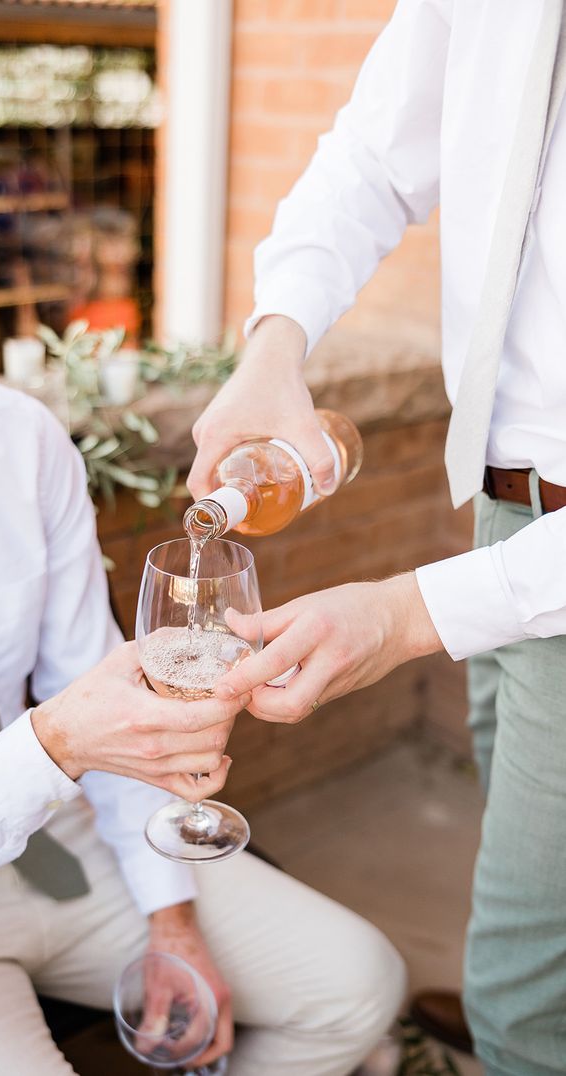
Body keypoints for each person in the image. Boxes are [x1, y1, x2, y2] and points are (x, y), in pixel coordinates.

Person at [0, 145, 405, 1076]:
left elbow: (85, 677)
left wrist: (172, 916)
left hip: (62, 838)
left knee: (359, 983)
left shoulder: (18, 440)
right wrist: (59, 742)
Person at [188, 3, 566, 1072]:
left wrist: (404, 611)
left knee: (521, 979)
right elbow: (368, 157)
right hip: (499, 515)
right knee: (524, 855)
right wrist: (274, 341)